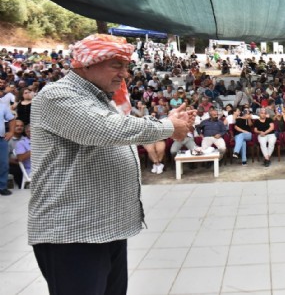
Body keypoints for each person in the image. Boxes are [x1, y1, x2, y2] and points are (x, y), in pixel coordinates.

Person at [28, 34, 194, 295]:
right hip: (74, 233)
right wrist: (168, 127)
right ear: (86, 63)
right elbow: (105, 129)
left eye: (126, 66)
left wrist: (164, 122)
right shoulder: (58, 95)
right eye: (116, 65)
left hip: (106, 227)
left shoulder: (99, 98)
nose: (124, 74)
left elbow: (116, 127)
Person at [0, 89, 15, 196]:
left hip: (1, 139)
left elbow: (12, 119)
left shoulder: (2, 106)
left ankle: (2, 186)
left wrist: (11, 132)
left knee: (4, 164)